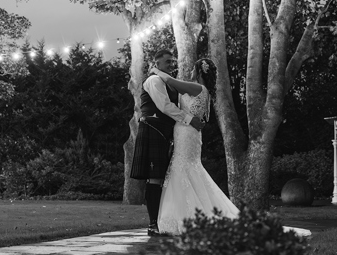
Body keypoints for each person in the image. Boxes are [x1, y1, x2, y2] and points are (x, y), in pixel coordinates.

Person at [151, 58, 311, 237]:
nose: (190, 72)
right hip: (189, 133)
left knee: (184, 168)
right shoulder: (202, 90)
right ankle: (185, 216)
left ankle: (185, 218)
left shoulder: (197, 88)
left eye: (194, 69)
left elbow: (171, 82)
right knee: (188, 169)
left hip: (187, 133)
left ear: (199, 72)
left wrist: (155, 71)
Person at [130, 49, 205, 236]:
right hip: (153, 129)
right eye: (167, 62)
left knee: (162, 177)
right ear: (157, 63)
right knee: (154, 177)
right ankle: (153, 224)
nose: (172, 64)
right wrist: (189, 119)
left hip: (164, 132)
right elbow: (164, 106)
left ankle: (162, 221)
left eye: (173, 61)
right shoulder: (154, 80)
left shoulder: (167, 81)